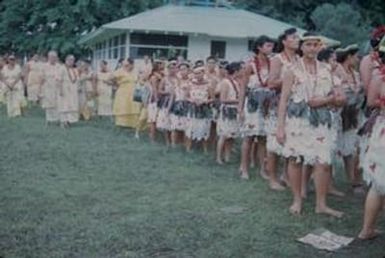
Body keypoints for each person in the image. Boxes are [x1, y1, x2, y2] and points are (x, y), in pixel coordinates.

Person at [276, 33, 344, 217]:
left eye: (315, 45)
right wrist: (280, 127)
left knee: (322, 162)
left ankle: (321, 204)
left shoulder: (327, 69)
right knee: (296, 159)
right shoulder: (291, 70)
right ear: (302, 47)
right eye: (308, 45)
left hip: (322, 120)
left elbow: (339, 96)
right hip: (298, 120)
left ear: (319, 47)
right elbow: (283, 100)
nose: (312, 48)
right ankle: (297, 200)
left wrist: (330, 99)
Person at [239, 35, 277, 182]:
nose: (271, 48)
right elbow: (243, 88)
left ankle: (263, 169)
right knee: (249, 137)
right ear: (259, 47)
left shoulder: (273, 63)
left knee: (263, 138)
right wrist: (240, 109)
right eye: (267, 46)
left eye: (272, 46)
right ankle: (244, 168)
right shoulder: (250, 65)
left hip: (267, 104)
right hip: (253, 104)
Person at [358, 38, 385, 239]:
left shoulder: (379, 76)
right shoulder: (378, 76)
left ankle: (367, 229)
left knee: (378, 183)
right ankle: (366, 229)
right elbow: (371, 101)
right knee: (378, 183)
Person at [267, 28, 300, 188]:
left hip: (295, 104)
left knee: (290, 139)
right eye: (293, 37)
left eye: (297, 37)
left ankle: (286, 175)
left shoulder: (299, 58)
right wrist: (289, 78)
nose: (297, 39)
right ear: (284, 41)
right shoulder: (277, 59)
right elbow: (271, 82)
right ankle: (272, 179)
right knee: (274, 143)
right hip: (279, 102)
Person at [335, 45, 364, 192]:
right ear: (349, 56)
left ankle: (352, 179)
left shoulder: (355, 73)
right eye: (356, 56)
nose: (358, 59)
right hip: (339, 113)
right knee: (335, 146)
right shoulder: (337, 70)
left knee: (351, 146)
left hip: (352, 113)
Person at [216, 62, 241, 164]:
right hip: (227, 110)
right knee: (224, 135)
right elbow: (223, 99)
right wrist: (238, 101)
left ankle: (227, 156)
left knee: (231, 135)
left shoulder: (235, 82)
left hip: (234, 110)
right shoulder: (226, 82)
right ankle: (218, 157)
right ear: (236, 71)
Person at [185, 65, 213, 153]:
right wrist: (192, 100)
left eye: (199, 73)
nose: (197, 75)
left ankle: (205, 149)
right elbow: (186, 96)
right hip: (193, 109)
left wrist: (204, 101)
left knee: (204, 128)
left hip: (204, 109)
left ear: (203, 73)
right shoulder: (190, 84)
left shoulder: (208, 85)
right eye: (195, 74)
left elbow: (212, 98)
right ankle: (188, 148)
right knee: (191, 127)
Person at [111, 58, 140, 128]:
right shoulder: (120, 71)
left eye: (128, 65)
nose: (127, 67)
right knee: (123, 105)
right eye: (125, 65)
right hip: (123, 92)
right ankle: (122, 123)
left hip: (133, 91)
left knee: (133, 106)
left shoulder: (135, 71)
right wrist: (115, 84)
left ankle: (133, 123)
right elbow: (110, 78)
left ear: (132, 65)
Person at [156, 60, 179, 146]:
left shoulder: (178, 79)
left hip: (176, 102)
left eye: (174, 68)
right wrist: (167, 92)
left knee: (174, 122)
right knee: (165, 121)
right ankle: (167, 141)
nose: (172, 70)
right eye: (171, 68)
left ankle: (173, 142)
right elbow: (159, 90)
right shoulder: (164, 79)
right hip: (166, 102)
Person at [170, 62, 190, 147]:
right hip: (177, 103)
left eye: (184, 69)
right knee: (174, 126)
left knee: (186, 126)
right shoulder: (175, 81)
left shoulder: (191, 81)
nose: (182, 71)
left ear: (188, 70)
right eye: (181, 69)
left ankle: (185, 144)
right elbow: (173, 95)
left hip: (187, 104)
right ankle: (173, 144)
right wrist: (169, 106)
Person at [41, 51, 62, 124]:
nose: (53, 59)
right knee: (49, 103)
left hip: (57, 87)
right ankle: (48, 120)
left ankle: (58, 119)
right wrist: (40, 89)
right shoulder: (44, 66)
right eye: (51, 57)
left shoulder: (59, 66)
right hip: (48, 87)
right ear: (48, 57)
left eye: (54, 57)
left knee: (57, 103)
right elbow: (42, 78)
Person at [58, 55, 79, 127]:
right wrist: (60, 90)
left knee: (71, 105)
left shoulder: (74, 69)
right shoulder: (62, 68)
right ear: (66, 60)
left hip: (73, 91)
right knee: (64, 105)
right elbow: (59, 80)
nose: (71, 62)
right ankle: (63, 122)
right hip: (64, 89)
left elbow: (76, 80)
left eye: (73, 60)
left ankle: (69, 121)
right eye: (70, 60)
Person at [147, 61, 164, 142]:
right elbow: (154, 89)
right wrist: (157, 99)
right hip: (154, 100)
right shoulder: (154, 77)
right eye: (161, 64)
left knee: (156, 119)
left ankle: (155, 136)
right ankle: (152, 138)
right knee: (153, 119)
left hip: (160, 99)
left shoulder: (160, 75)